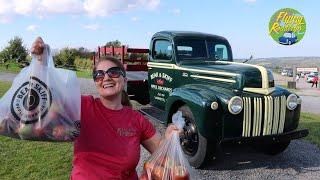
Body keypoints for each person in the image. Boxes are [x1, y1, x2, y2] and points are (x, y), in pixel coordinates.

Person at [31, 37, 180, 179]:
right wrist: (40, 63)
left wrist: (169, 138)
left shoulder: (137, 120)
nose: (106, 78)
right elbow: (45, 100)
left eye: (113, 72)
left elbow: (163, 153)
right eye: (99, 74)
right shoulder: (83, 105)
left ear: (124, 80)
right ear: (96, 82)